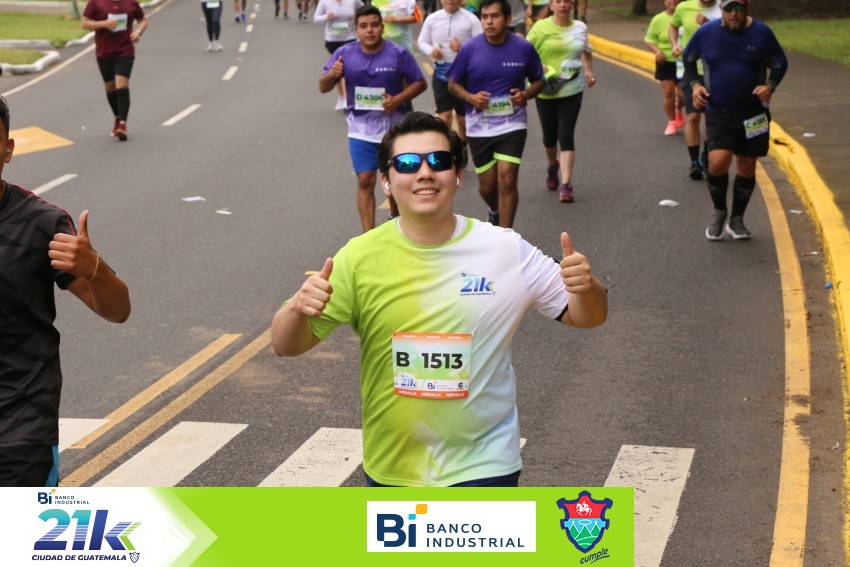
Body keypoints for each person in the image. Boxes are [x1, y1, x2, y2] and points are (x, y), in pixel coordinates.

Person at [270, 111, 608, 487]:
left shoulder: (504, 249)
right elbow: (285, 345)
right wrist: (297, 309)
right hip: (393, 469)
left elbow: (587, 316)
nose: (425, 173)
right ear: (386, 181)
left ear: (457, 176)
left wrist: (586, 288)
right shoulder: (358, 257)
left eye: (439, 161)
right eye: (407, 163)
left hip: (485, 466)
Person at [0, 95, 131, 487]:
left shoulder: (41, 224)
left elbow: (117, 310)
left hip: (19, 431)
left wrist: (94, 269)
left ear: (8, 149)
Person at [684, 0, 787, 240]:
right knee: (717, 162)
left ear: (747, 6)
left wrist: (770, 86)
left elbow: (780, 62)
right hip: (719, 110)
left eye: (739, 7)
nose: (734, 13)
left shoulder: (761, 32)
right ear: (721, 9)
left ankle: (737, 219)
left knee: (747, 166)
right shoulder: (706, 33)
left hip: (754, 113)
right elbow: (689, 59)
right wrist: (696, 85)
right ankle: (720, 210)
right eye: (729, 8)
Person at [319, 5, 427, 232]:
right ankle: (368, 237)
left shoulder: (398, 53)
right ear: (356, 30)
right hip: (361, 129)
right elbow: (323, 86)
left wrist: (398, 99)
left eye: (374, 25)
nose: (370, 30)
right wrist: (332, 75)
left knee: (396, 181)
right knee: (365, 180)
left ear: (382, 27)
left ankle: (395, 218)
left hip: (395, 130)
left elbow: (420, 83)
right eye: (364, 26)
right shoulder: (344, 54)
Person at [448, 0, 544, 228]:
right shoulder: (470, 48)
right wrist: (471, 98)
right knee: (487, 187)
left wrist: (525, 94)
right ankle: (494, 209)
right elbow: (452, 84)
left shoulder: (523, 48)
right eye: (485, 17)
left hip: (513, 123)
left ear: (508, 19)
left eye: (495, 16)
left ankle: (506, 235)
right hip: (479, 126)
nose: (489, 22)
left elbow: (539, 80)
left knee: (508, 177)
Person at [527, 0, 595, 203]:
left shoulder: (580, 27)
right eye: (558, 1)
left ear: (572, 5)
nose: (563, 5)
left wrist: (588, 71)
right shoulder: (540, 28)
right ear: (551, 5)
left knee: (566, 136)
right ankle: (552, 165)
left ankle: (566, 185)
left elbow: (586, 50)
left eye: (567, 1)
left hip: (572, 89)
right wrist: (538, 66)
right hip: (545, 89)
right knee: (549, 138)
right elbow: (525, 53)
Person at [416, 0, 482, 164]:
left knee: (462, 120)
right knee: (444, 117)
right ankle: (448, 151)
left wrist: (463, 48)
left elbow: (482, 44)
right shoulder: (432, 18)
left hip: (463, 76)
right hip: (441, 74)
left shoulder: (471, 19)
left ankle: (463, 144)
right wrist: (431, 51)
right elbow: (421, 41)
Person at [82, 0, 148, 141]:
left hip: (125, 50)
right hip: (104, 52)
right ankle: (117, 118)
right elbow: (84, 23)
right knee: (110, 87)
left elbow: (142, 20)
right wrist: (104, 24)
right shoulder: (96, 2)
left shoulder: (131, 3)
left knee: (121, 84)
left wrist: (138, 32)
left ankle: (123, 125)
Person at [669, 0, 719, 179]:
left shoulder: (725, 8)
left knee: (711, 118)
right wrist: (675, 44)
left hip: (715, 72)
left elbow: (731, 34)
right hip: (691, 70)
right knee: (693, 117)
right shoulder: (684, 7)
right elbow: (673, 26)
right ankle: (695, 162)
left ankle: (706, 155)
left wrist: (709, 25)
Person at [314, 0, 364, 110]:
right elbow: (316, 18)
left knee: (346, 68)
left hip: (350, 38)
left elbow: (364, 10)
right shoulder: (325, 1)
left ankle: (346, 98)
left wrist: (357, 20)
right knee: (338, 68)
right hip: (333, 39)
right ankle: (341, 97)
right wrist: (326, 17)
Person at [645, 0, 684, 135]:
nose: (673, 2)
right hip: (665, 61)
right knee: (668, 92)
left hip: (683, 61)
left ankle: (678, 108)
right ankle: (672, 122)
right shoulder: (658, 19)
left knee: (683, 95)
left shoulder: (685, 15)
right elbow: (649, 39)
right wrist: (657, 52)